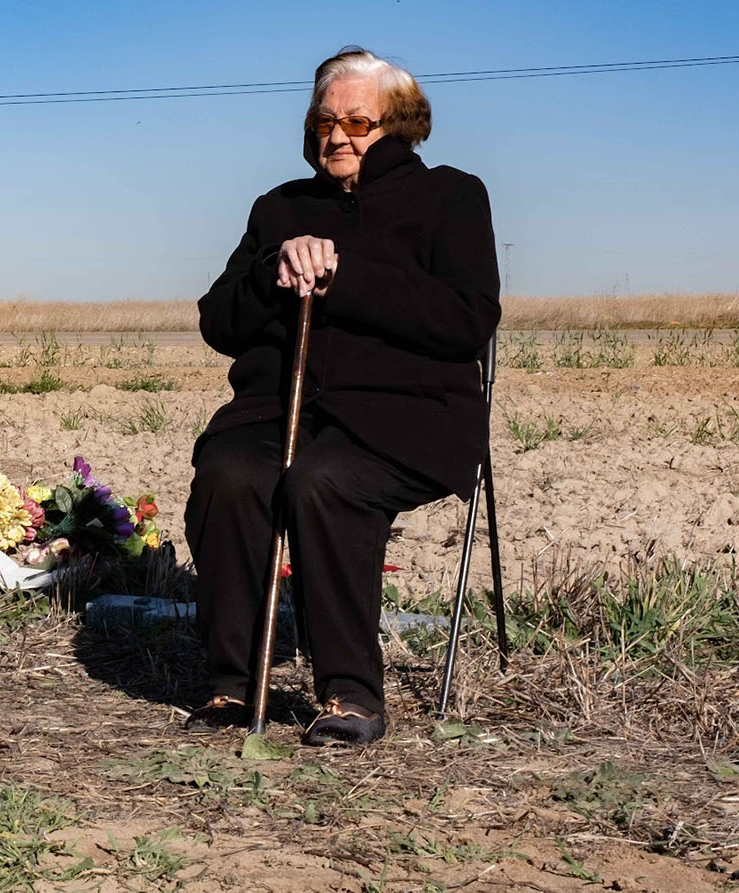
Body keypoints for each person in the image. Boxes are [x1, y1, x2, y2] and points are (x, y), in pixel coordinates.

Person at [185, 47, 500, 746]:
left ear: (401, 125)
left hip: (407, 417)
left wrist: (345, 276)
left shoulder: (451, 196)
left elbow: (466, 320)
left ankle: (349, 692)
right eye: (325, 121)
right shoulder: (280, 208)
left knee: (322, 483)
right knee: (230, 474)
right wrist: (275, 269)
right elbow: (218, 323)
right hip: (279, 409)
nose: (336, 136)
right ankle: (234, 683)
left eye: (358, 122)